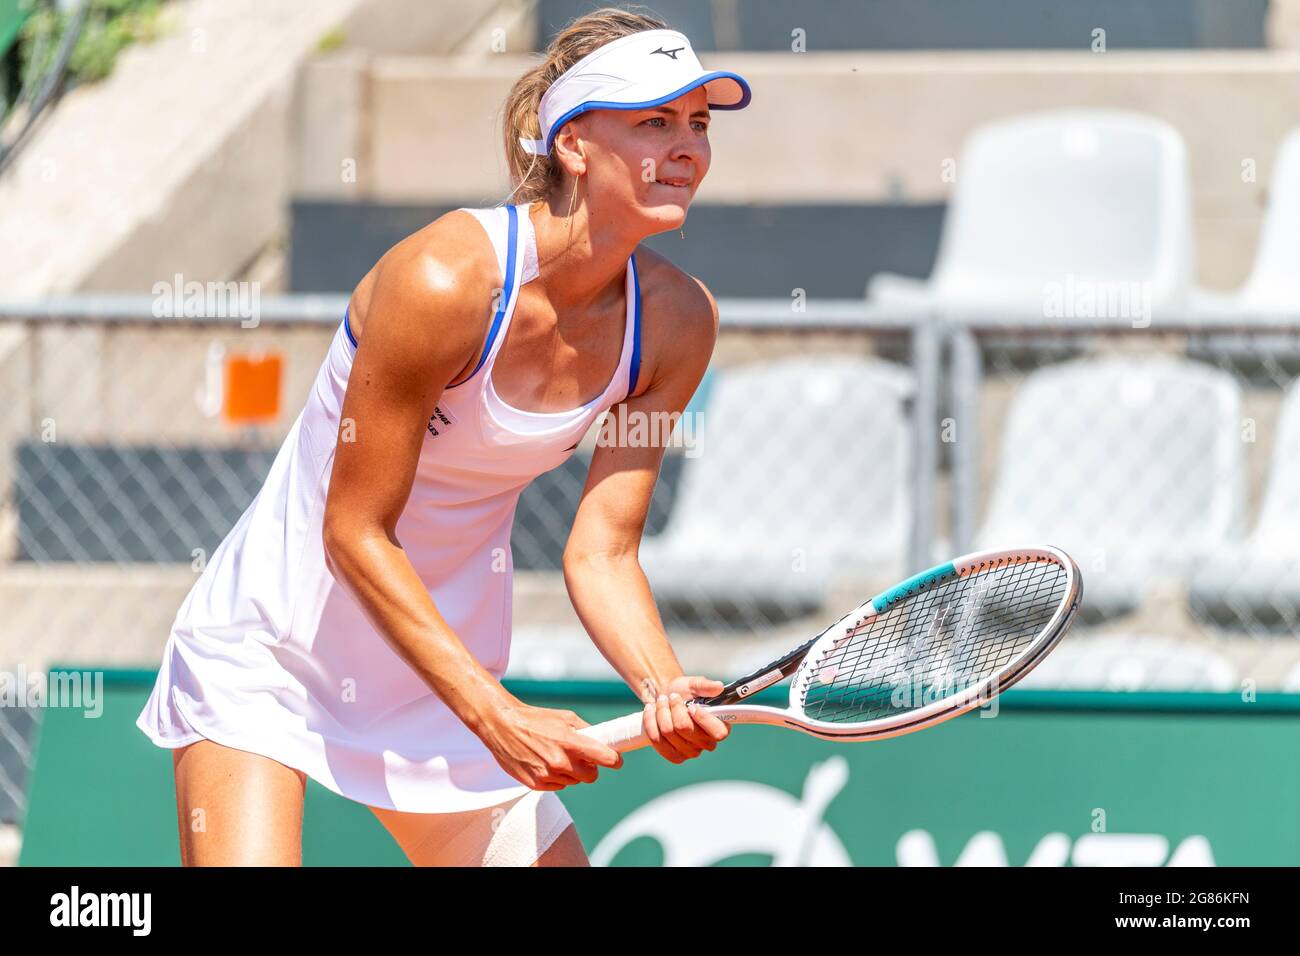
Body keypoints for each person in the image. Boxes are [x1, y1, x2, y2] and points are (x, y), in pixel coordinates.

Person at [136, 7, 752, 867]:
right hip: (271, 652)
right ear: (572, 144)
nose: (687, 147)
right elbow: (353, 529)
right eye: (654, 121)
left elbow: (603, 552)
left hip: (437, 679)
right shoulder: (444, 279)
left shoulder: (679, 322)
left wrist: (659, 684)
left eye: (698, 123)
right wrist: (496, 713)